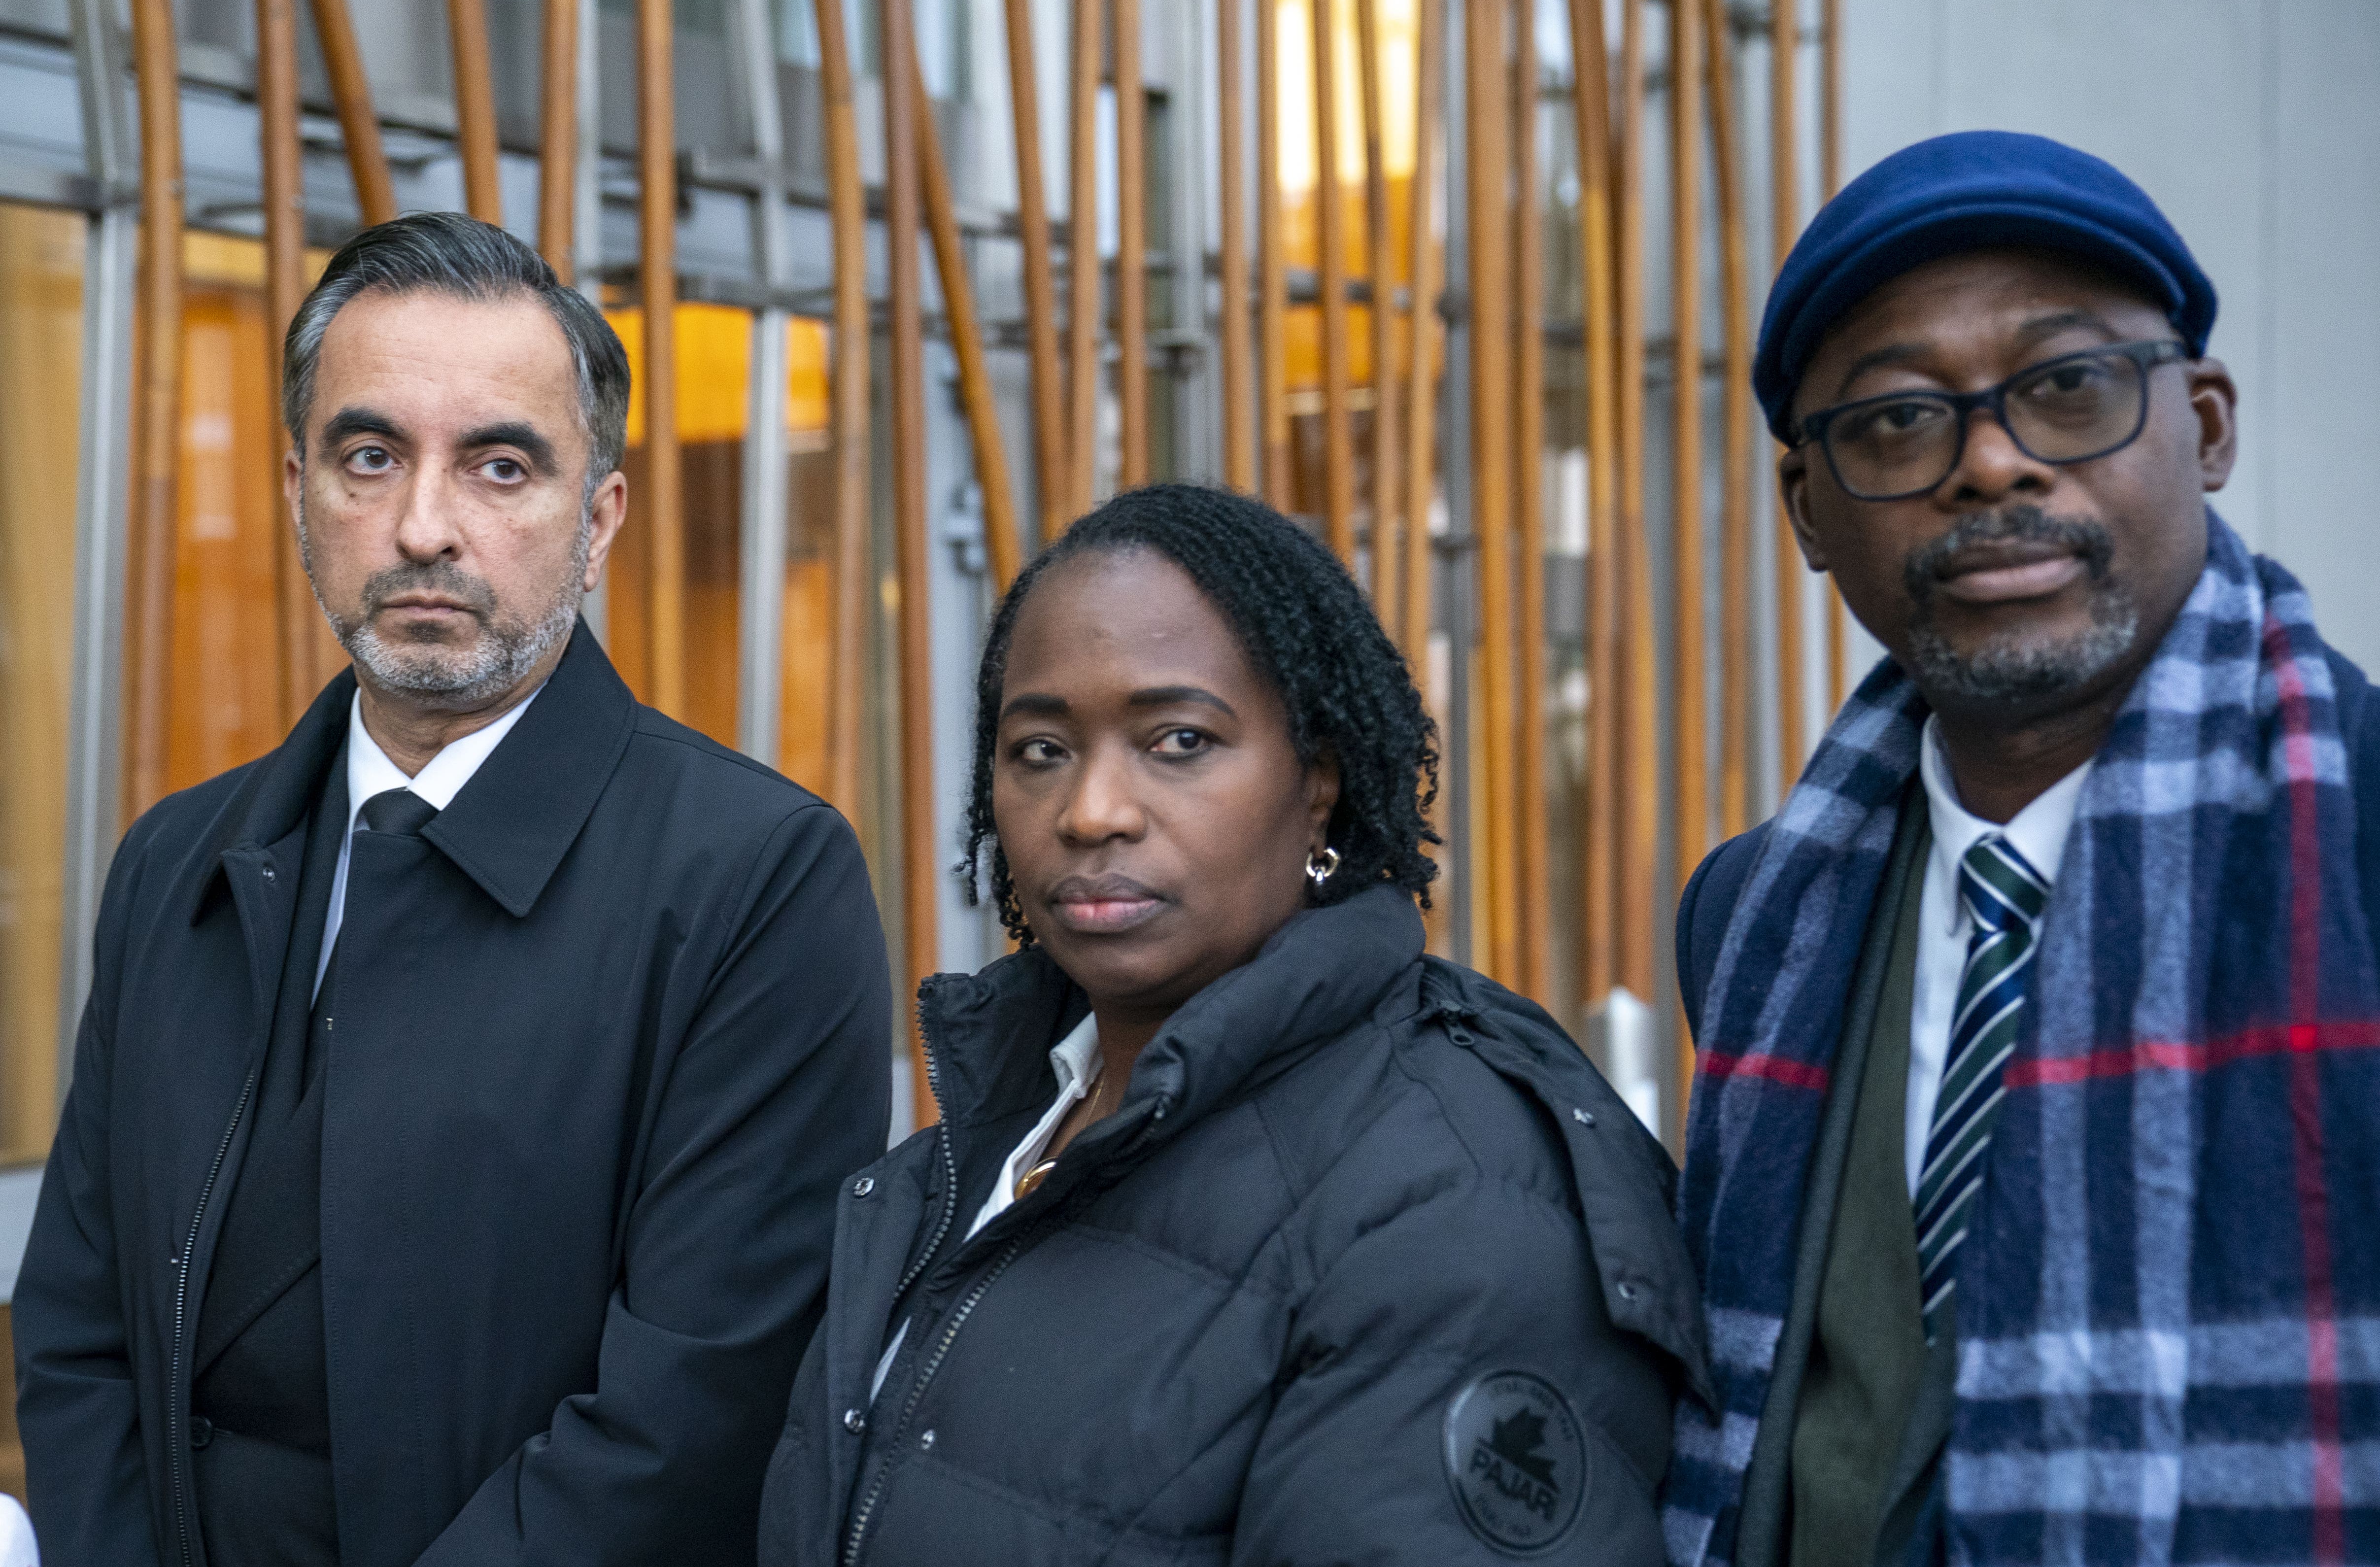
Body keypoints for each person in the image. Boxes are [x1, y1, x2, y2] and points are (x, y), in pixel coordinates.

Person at [14, 213, 893, 1566]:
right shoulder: (178, 859)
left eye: (499, 466)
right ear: (298, 487)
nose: (424, 526)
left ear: (597, 518)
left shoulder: (754, 878)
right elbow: (79, 1326)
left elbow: (687, 1418)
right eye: (371, 457)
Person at [756, 484, 1708, 1565]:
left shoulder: (1448, 1198)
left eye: (1177, 739)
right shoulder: (996, 1132)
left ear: (1318, 785)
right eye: (1040, 750)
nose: (1092, 808)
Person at [1664, 132, 2380, 1567]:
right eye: (1891, 422)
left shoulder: (2352, 838)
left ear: (2207, 423)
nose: (1987, 462)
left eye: (2063, 388)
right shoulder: (1751, 917)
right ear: (1808, 510)